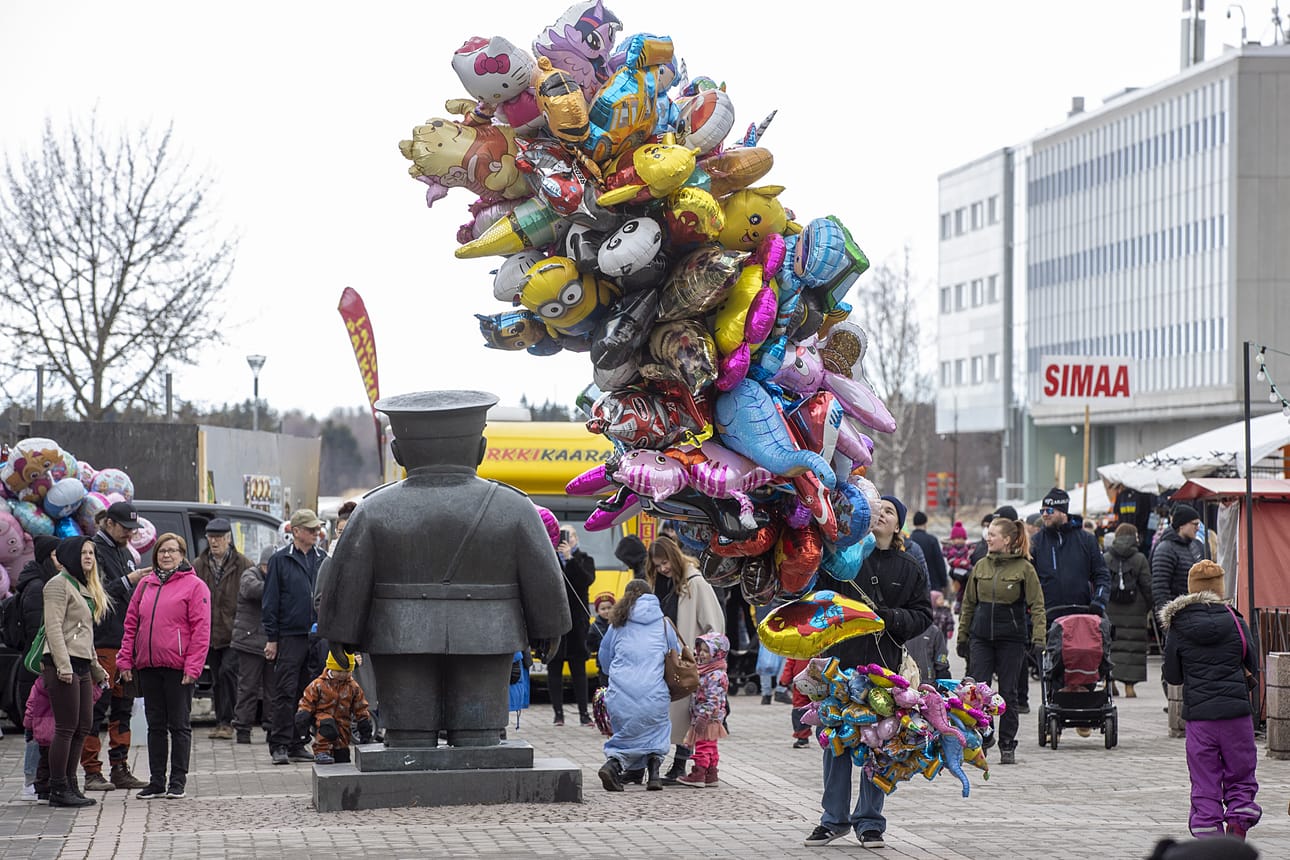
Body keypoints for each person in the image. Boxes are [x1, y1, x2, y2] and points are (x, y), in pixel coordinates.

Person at [316, 390, 571, 750]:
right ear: (480, 450)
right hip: (487, 634)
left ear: (398, 453)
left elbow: (347, 578)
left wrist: (339, 633)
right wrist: (550, 628)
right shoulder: (515, 507)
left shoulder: (372, 509)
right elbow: (544, 577)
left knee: (408, 735)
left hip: (400, 634)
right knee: (479, 736)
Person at [805, 495, 932, 849]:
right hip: (842, 666)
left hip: (883, 673)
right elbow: (819, 601)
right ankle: (833, 820)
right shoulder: (843, 559)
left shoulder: (909, 567)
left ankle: (870, 821)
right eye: (878, 509)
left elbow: (923, 615)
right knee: (837, 744)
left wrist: (889, 618)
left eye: (889, 512)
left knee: (879, 747)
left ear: (898, 525)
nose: (882, 515)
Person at [1161, 560, 1261, 841]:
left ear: (1191, 589)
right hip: (1236, 715)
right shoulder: (1235, 620)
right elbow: (1252, 661)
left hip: (1200, 719)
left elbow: (1173, 675)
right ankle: (1239, 822)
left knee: (1204, 779)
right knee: (1241, 772)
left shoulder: (1178, 626)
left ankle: (1208, 836)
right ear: (1220, 587)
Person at [117, 533, 211, 799]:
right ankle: (157, 780)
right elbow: (131, 625)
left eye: (172, 551)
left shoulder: (195, 586)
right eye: (162, 551)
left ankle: (177, 782)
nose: (166, 555)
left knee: (179, 725)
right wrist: (125, 659)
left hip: (178, 668)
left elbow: (201, 630)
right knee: (155, 725)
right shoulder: (145, 585)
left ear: (182, 555)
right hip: (148, 666)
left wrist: (193, 667)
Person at [956, 517, 1046, 765]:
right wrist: (963, 636)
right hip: (981, 637)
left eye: (993, 534)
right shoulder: (980, 566)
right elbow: (969, 604)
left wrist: (1039, 638)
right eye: (988, 533)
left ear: (1006, 540)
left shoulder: (1024, 569)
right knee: (975, 693)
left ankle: (1008, 743)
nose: (988, 537)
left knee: (1008, 692)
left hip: (1011, 640)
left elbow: (1037, 606)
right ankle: (984, 737)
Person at [83, 501, 149, 792]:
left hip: (126, 642)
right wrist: (128, 580)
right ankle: (91, 771)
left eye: (133, 530)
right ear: (109, 523)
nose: (130, 534)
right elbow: (94, 594)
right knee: (96, 708)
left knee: (124, 707)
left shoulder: (125, 552)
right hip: (103, 642)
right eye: (125, 528)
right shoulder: (93, 551)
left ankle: (120, 767)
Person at [646, 536, 723, 785]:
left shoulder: (695, 583)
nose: (662, 568)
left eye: (665, 562)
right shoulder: (665, 583)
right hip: (669, 659)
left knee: (688, 713)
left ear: (674, 556)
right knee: (675, 713)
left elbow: (714, 625)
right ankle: (680, 764)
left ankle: (684, 763)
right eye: (657, 565)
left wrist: (704, 658)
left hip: (690, 663)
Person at [41, 536, 111, 807]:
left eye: (91, 553)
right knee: (66, 727)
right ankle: (58, 787)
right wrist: (62, 665)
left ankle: (71, 783)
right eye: (83, 552)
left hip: (81, 663)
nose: (88, 557)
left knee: (83, 726)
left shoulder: (82, 586)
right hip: (63, 664)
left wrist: (96, 668)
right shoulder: (58, 585)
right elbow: (54, 628)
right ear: (71, 554)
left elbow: (85, 635)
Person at [595, 579, 676, 791]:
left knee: (625, 733)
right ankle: (654, 774)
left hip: (621, 695)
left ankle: (614, 764)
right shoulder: (664, 624)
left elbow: (605, 660)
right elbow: (674, 654)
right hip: (654, 693)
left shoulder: (617, 624)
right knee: (657, 729)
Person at [263, 509, 327, 765]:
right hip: (290, 635)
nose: (316, 533)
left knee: (309, 691)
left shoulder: (322, 558)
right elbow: (271, 601)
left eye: (316, 529)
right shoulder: (281, 560)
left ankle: (297, 742)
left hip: (317, 635)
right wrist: (272, 637)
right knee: (285, 691)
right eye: (310, 529)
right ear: (296, 531)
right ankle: (279, 743)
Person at [193, 517, 252, 741]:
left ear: (229, 539)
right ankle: (221, 721)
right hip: (209, 632)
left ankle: (229, 721)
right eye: (211, 538)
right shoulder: (200, 564)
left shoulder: (243, 564)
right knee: (217, 677)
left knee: (229, 673)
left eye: (219, 537)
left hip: (234, 632)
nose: (214, 542)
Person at [14, 534, 61, 801]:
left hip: (36, 667)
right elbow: (38, 634)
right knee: (36, 725)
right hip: (34, 669)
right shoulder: (36, 589)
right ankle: (31, 781)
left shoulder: (43, 583)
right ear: (46, 557)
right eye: (56, 555)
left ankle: (37, 778)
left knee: (41, 723)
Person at [1030, 488, 1110, 614]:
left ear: (1063, 512)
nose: (1044, 514)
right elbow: (1027, 582)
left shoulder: (1086, 540)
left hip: (1081, 616)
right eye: (1042, 510)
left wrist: (1099, 602)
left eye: (1049, 510)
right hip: (1047, 617)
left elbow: (1102, 575)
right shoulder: (1036, 542)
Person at [549, 525, 596, 727]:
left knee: (579, 669)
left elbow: (586, 580)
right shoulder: (549, 557)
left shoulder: (585, 559)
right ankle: (558, 714)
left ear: (576, 538)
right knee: (555, 668)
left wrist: (570, 558)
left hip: (577, 623)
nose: (568, 540)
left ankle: (584, 713)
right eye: (563, 535)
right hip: (554, 620)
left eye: (571, 536)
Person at [294, 650, 373, 764]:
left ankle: (341, 754)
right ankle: (321, 751)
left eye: (347, 671)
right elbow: (307, 700)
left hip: (343, 719)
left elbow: (360, 705)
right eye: (339, 671)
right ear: (331, 668)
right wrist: (304, 713)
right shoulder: (319, 684)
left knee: (342, 744)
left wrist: (363, 721)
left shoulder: (353, 686)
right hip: (323, 716)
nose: (343, 675)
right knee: (327, 726)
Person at [231, 546, 275, 744]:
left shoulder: (273, 578)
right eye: (267, 567)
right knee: (247, 687)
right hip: (249, 642)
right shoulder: (250, 575)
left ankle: (271, 727)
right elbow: (252, 590)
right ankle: (242, 728)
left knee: (271, 689)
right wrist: (278, 586)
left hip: (270, 641)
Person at [1104, 522, 1152, 698]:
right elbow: (1147, 585)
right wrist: (1149, 606)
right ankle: (1129, 687)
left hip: (1111, 608)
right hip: (1135, 609)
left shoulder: (1107, 557)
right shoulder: (1140, 559)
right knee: (1132, 647)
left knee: (1112, 644)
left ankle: (1110, 682)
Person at [677, 632, 730, 787]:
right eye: (700, 650)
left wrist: (703, 716)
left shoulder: (715, 675)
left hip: (706, 717)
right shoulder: (707, 671)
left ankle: (698, 773)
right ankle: (711, 773)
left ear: (717, 653)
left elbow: (713, 699)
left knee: (702, 745)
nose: (701, 654)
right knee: (711, 745)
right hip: (709, 716)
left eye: (707, 651)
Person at [1151, 504, 1208, 623]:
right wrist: (1168, 621)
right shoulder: (1165, 549)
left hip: (1196, 615)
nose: (1198, 528)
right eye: (1195, 524)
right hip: (1177, 618)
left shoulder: (1196, 546)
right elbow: (1160, 589)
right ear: (1182, 525)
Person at [908, 511, 949, 594]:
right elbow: (939, 563)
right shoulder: (932, 540)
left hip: (912, 585)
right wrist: (943, 582)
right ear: (925, 523)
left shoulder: (909, 540)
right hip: (933, 584)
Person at [781, 657, 813, 749]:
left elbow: (790, 663)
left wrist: (785, 680)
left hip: (800, 681)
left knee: (799, 709)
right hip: (818, 680)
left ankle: (803, 738)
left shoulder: (796, 648)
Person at [943, 522, 973, 612]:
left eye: (961, 538)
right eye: (957, 538)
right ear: (953, 539)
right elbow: (950, 560)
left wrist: (966, 563)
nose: (959, 541)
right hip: (956, 572)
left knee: (965, 589)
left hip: (965, 571)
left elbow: (968, 559)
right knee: (956, 589)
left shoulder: (966, 548)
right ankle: (955, 603)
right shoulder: (952, 550)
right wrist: (960, 562)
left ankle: (963, 604)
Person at [587, 591, 615, 679]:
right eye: (603, 609)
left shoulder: (618, 624)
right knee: (603, 689)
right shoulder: (595, 627)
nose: (607, 611)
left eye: (609, 608)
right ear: (597, 611)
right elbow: (590, 645)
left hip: (618, 664)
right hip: (602, 665)